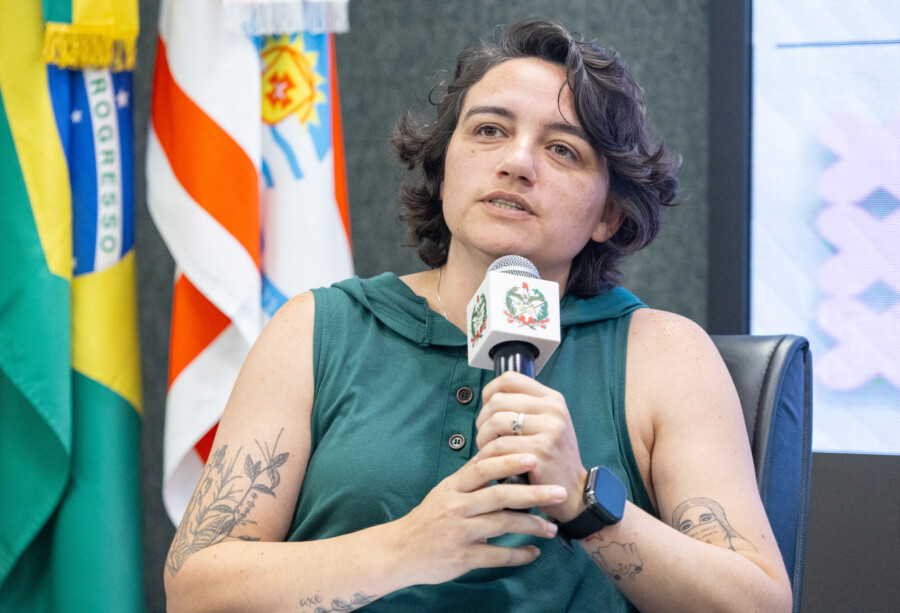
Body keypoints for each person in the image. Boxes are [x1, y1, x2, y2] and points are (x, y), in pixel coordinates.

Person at [164, 18, 792, 612]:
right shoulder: (313, 330)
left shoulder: (664, 354)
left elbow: (758, 602)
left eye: (563, 149)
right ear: (443, 170)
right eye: (489, 130)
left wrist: (582, 500)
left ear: (609, 213)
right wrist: (404, 550)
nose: (517, 162)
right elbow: (194, 591)